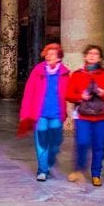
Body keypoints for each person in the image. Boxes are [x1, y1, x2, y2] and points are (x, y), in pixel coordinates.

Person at [66, 44, 104, 186]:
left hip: (102, 116)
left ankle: (96, 174)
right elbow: (68, 94)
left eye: (95, 54)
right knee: (82, 142)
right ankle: (78, 170)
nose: (92, 55)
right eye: (89, 53)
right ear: (84, 56)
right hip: (82, 115)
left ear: (100, 58)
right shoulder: (77, 75)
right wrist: (80, 96)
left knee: (98, 145)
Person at [18, 42, 70, 181]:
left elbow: (70, 94)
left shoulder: (65, 73)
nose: (48, 56)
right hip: (39, 112)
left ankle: (49, 161)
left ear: (59, 57)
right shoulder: (38, 70)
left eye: (52, 53)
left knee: (54, 143)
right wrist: (24, 113)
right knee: (41, 141)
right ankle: (42, 170)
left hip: (57, 114)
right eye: (47, 53)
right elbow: (28, 93)